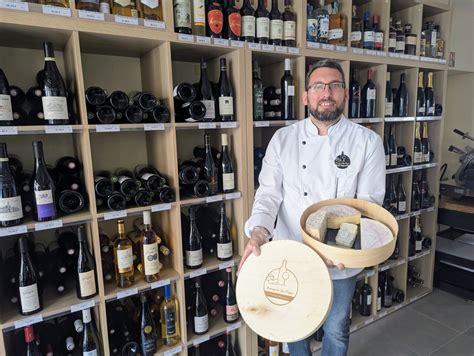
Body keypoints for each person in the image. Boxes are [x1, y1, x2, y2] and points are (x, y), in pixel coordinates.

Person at [238, 59, 386, 356]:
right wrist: (258, 233)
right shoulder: (283, 139)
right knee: (293, 323)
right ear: (305, 96)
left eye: (335, 85)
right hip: (293, 252)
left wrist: (342, 249)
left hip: (340, 258)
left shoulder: (367, 142)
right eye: (318, 86)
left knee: (336, 327)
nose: (326, 92)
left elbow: (369, 206)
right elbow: (268, 195)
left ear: (345, 93)